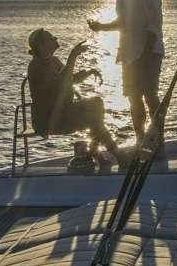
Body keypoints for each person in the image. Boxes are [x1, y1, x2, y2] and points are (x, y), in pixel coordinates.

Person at [87, 0, 164, 153]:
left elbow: (154, 22)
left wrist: (147, 51)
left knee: (150, 95)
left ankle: (158, 142)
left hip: (147, 51)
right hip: (129, 53)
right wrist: (101, 27)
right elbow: (124, 23)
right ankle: (141, 141)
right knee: (133, 97)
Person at [25, 28, 122, 173]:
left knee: (96, 103)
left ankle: (98, 152)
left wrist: (88, 72)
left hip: (63, 112)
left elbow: (70, 79)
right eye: (51, 38)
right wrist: (73, 56)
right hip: (49, 119)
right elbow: (61, 82)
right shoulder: (36, 66)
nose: (55, 39)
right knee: (94, 117)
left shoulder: (53, 60)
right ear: (41, 46)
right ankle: (113, 154)